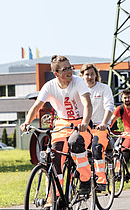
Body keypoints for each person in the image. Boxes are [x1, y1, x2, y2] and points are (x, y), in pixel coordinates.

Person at [20, 55, 93, 195]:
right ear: (56, 74)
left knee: (75, 142)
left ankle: (85, 179)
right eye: (65, 69)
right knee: (54, 157)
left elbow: (87, 104)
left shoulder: (78, 82)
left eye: (70, 67)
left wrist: (84, 123)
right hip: (62, 123)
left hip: (81, 122)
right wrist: (27, 122)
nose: (70, 71)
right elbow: (36, 107)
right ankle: (53, 199)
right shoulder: (49, 86)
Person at [80, 63, 114, 192]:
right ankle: (81, 178)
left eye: (92, 74)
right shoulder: (79, 90)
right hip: (84, 127)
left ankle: (101, 180)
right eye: (87, 74)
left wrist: (104, 123)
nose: (90, 77)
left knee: (97, 148)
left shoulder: (103, 88)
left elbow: (109, 106)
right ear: (82, 76)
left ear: (96, 75)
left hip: (100, 126)